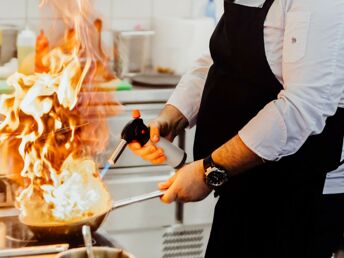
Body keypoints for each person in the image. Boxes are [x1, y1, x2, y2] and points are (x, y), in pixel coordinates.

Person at [128, 0, 344, 257]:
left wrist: (209, 171)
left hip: (300, 196)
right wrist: (172, 117)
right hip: (240, 183)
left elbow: (302, 107)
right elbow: (219, 60)